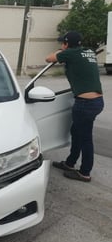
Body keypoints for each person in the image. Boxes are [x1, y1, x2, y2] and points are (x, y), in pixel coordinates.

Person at [45, 31, 104, 182]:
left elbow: (48, 58)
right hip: (96, 101)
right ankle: (70, 163)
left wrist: (61, 51)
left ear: (66, 44)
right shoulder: (89, 51)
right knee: (76, 132)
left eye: (62, 43)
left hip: (85, 103)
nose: (60, 45)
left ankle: (85, 173)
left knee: (84, 138)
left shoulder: (69, 53)